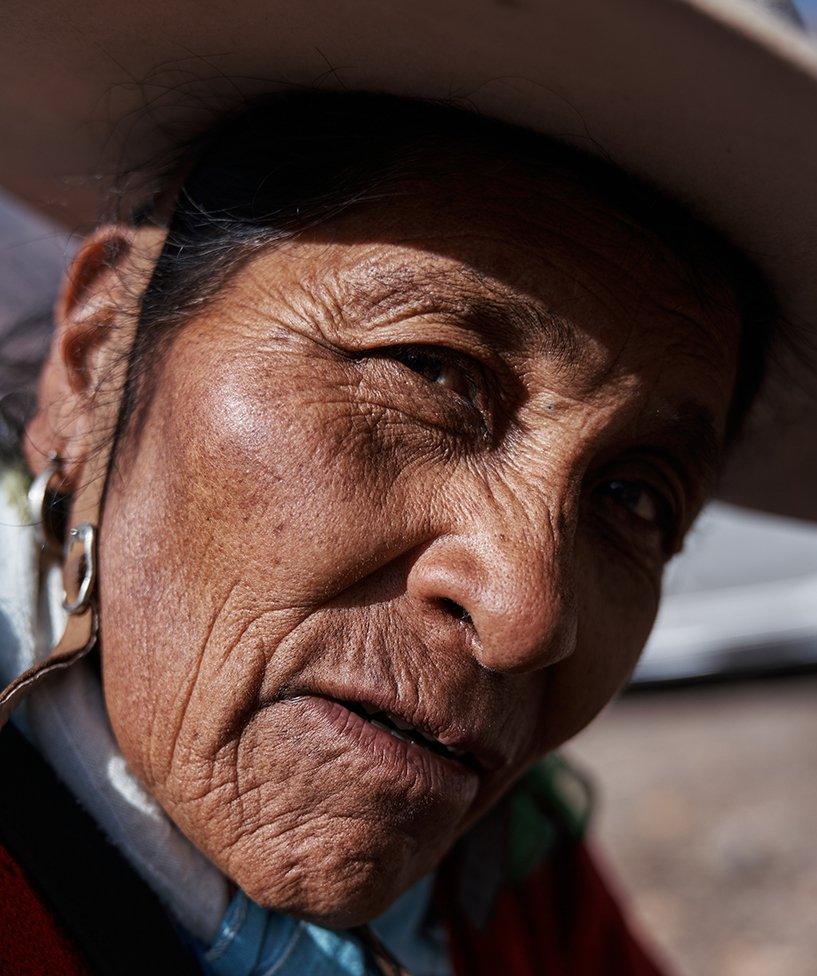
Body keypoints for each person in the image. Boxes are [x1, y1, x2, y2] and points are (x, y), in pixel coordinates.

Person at [0, 2, 814, 975]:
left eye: (635, 498)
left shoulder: (516, 887)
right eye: (429, 370)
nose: (524, 614)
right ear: (98, 356)